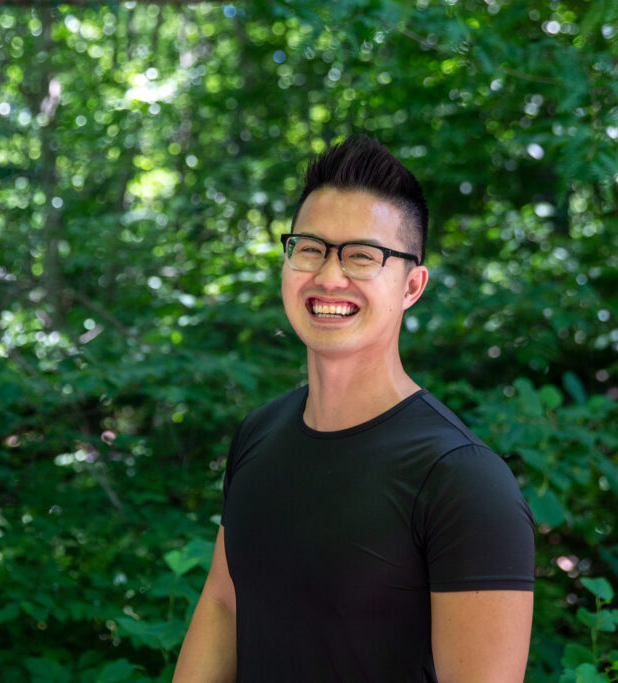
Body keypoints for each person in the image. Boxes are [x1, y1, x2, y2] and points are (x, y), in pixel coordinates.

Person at [173, 135, 535, 683]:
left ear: (412, 285)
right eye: (311, 248)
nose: (328, 277)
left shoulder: (463, 480)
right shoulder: (258, 434)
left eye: (363, 255)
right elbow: (225, 606)